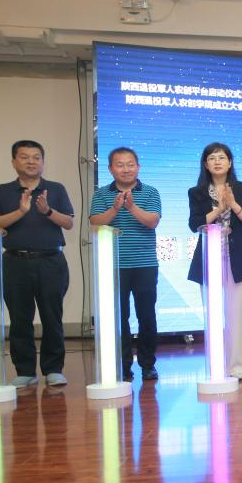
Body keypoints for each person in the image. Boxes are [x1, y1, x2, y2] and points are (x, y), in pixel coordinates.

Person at [0, 140, 74, 387]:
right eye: (24, 157)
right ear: (14, 162)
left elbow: (68, 223)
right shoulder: (1, 191)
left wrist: (47, 211)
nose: (31, 161)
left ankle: (53, 369)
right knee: (19, 318)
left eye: (36, 157)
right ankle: (25, 371)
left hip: (51, 261)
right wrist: (20, 211)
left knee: (52, 316)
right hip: (14, 262)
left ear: (42, 161)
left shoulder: (55, 189)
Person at [187, 143, 242, 380]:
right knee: (213, 314)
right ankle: (216, 366)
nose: (217, 162)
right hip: (208, 257)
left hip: (237, 258)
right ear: (205, 164)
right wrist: (219, 208)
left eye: (221, 157)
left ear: (230, 163)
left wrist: (233, 204)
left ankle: (236, 368)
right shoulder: (196, 192)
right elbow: (195, 224)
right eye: (212, 158)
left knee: (235, 315)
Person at [89, 147, 162, 381]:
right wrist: (115, 208)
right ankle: (123, 365)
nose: (126, 169)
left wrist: (131, 207)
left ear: (138, 167)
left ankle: (148, 364)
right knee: (118, 318)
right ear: (110, 169)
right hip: (113, 265)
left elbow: (152, 221)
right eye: (119, 164)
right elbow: (95, 222)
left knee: (146, 316)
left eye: (130, 164)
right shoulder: (102, 194)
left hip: (145, 264)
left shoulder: (150, 192)